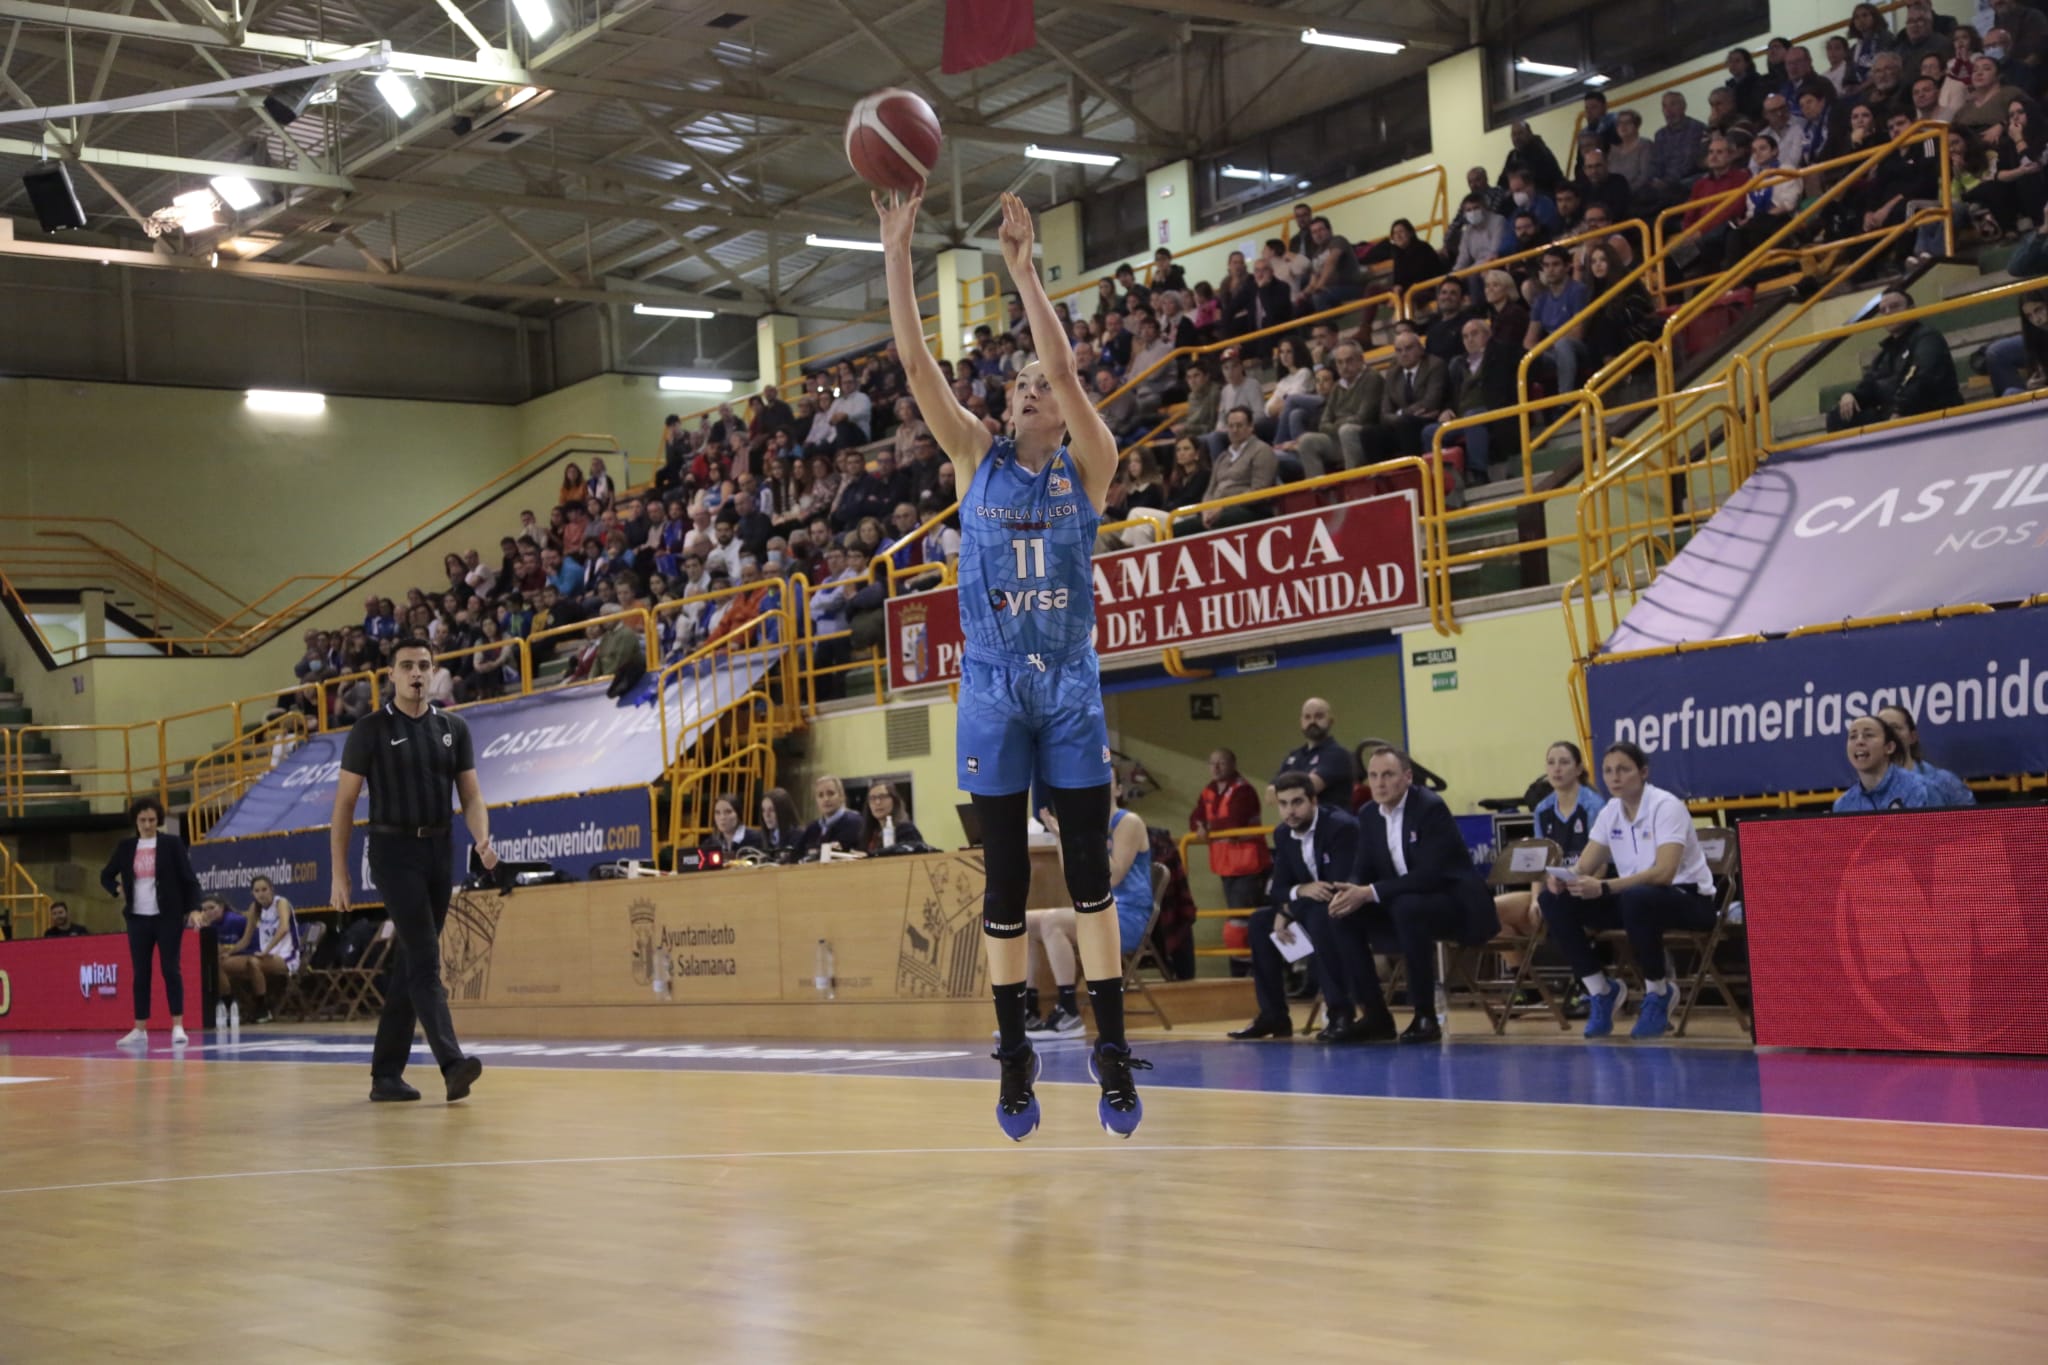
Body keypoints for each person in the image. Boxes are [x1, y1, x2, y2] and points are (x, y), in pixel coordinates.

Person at [878, 187, 1146, 1141]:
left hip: (1070, 685)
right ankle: (1013, 1050)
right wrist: (895, 250)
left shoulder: (1091, 465)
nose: (1029, 388)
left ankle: (1109, 1045)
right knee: (1000, 881)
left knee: (1087, 877)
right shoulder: (973, 456)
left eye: (1040, 384)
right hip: (992, 687)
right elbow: (915, 363)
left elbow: (1070, 368)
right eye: (1019, 382)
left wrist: (1026, 273)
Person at [331, 637, 492, 1104]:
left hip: (440, 849)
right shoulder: (369, 729)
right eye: (407, 666)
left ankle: (385, 1075)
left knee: (411, 961)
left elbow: (473, 796)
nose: (416, 673)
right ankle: (452, 1063)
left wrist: (482, 836)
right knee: (424, 955)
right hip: (391, 851)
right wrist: (339, 873)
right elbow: (343, 806)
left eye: (423, 665)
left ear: (433, 670)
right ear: (392, 675)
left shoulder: (454, 727)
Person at [1537, 742, 1718, 1041]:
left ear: (1643, 772)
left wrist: (1605, 887)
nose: (1614, 777)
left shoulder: (1666, 806)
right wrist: (1562, 879)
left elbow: (1664, 873)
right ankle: (1601, 990)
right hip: (1637, 902)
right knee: (1553, 899)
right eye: (1608, 771)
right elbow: (1584, 865)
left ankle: (1658, 992)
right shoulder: (1611, 811)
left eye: (1623, 769)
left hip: (1688, 899)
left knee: (1637, 896)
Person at [1324, 747, 1498, 1043]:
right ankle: (1375, 1016)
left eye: (1388, 775)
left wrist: (1370, 892)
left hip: (1452, 903)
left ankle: (1425, 1016)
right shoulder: (1368, 814)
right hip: (1402, 903)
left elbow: (1431, 875)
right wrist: (1349, 891)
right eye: (1373, 776)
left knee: (1407, 907)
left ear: (1407, 777)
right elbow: (1362, 869)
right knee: (1343, 916)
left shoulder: (1429, 807)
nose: (1379, 783)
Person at [1229, 773, 1372, 1041]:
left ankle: (1340, 1013)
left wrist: (1289, 909)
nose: (1290, 811)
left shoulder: (1341, 827)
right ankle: (1274, 1015)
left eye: (1297, 802)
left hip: (1351, 908)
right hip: (1307, 907)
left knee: (1320, 914)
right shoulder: (1283, 834)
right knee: (1260, 922)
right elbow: (1279, 888)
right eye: (1283, 804)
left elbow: (1336, 887)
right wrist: (1291, 902)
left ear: (1313, 801)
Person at [1026, 773, 1152, 1038]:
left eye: (1107, 780)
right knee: (1024, 922)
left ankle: (1069, 1012)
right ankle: (1029, 1010)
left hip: (1127, 915)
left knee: (1052, 921)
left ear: (1118, 789)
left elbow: (1114, 876)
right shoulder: (1085, 825)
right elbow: (1071, 875)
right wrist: (1063, 837)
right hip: (1097, 912)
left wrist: (1080, 838)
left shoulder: (1127, 822)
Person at [99, 796, 203, 1048]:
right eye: (143, 820)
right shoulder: (126, 847)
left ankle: (177, 1024)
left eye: (152, 820)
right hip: (138, 918)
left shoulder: (171, 844)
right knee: (141, 974)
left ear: (158, 821)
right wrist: (117, 889)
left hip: (167, 916)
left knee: (170, 969)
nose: (147, 824)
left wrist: (194, 909)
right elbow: (105, 875)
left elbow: (189, 879)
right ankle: (139, 1028)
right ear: (136, 821)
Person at [1494, 742, 1607, 944]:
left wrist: (1576, 888)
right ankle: (1523, 974)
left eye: (1564, 762)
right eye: (1551, 763)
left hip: (1584, 890)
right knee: (1490, 912)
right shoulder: (1542, 809)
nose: (1556, 768)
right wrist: (1536, 898)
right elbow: (1540, 863)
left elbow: (1601, 866)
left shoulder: (1594, 805)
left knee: (1556, 909)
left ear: (1579, 769)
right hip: (1552, 890)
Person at [1828, 288, 1962, 432]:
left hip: (1927, 412)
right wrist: (1851, 395)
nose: (1888, 313)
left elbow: (1923, 379)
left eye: (1895, 306)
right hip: (1893, 415)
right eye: (1883, 310)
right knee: (1839, 416)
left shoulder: (1928, 338)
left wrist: (1899, 412)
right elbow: (1871, 386)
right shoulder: (1885, 353)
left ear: (1912, 309)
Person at [1191, 748, 1270, 915]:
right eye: (1212, 763)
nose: (1216, 767)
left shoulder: (1243, 790)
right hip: (1226, 864)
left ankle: (1245, 941)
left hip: (1248, 864)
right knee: (1236, 914)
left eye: (1221, 763)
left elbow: (1235, 821)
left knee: (1243, 916)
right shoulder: (1209, 790)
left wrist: (1208, 826)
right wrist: (1199, 824)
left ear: (1233, 765)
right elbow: (1195, 816)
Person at [219, 875, 301, 1024]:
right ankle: (229, 1006)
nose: (261, 893)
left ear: (272, 890)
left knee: (253, 962)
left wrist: (266, 950)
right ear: (253, 893)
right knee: (221, 964)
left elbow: (283, 928)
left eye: (264, 889)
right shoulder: (254, 908)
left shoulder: (281, 903)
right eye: (257, 891)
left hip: (286, 957)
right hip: (264, 956)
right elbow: (245, 940)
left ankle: (262, 1008)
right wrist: (229, 953)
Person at [1876, 703, 1977, 806]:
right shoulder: (1866, 791)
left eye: (1895, 728)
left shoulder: (1945, 782)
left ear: (1912, 737)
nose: (1889, 734)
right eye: (1882, 729)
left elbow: (1972, 820)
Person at [1835, 714, 1936, 811]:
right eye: (1853, 736)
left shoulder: (1919, 788)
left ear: (1889, 747)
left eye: (1868, 735)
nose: (1859, 741)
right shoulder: (1844, 804)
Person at [1275, 696, 1355, 807]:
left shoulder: (1338, 754)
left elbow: (1308, 789)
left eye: (1319, 716)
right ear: (1301, 722)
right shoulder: (1293, 756)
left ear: (1331, 721)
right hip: (1298, 822)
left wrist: (1284, 791)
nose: (1312, 721)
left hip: (1330, 821)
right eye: (1307, 717)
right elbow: (1270, 794)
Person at [801, 774, 865, 856]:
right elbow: (797, 855)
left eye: (830, 793)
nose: (826, 799)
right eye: (820, 795)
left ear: (841, 796)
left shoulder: (854, 822)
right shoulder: (812, 828)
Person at [858, 780, 924, 853]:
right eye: (872, 798)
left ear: (894, 800)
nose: (877, 802)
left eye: (882, 797)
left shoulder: (907, 830)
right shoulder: (870, 833)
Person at [702, 793, 768, 857]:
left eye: (728, 812)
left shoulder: (756, 839)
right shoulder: (709, 844)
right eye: (717, 812)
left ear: (738, 814)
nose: (722, 817)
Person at [758, 787, 806, 862]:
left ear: (783, 811)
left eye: (772, 810)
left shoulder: (798, 836)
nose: (767, 815)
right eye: (763, 810)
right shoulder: (763, 837)